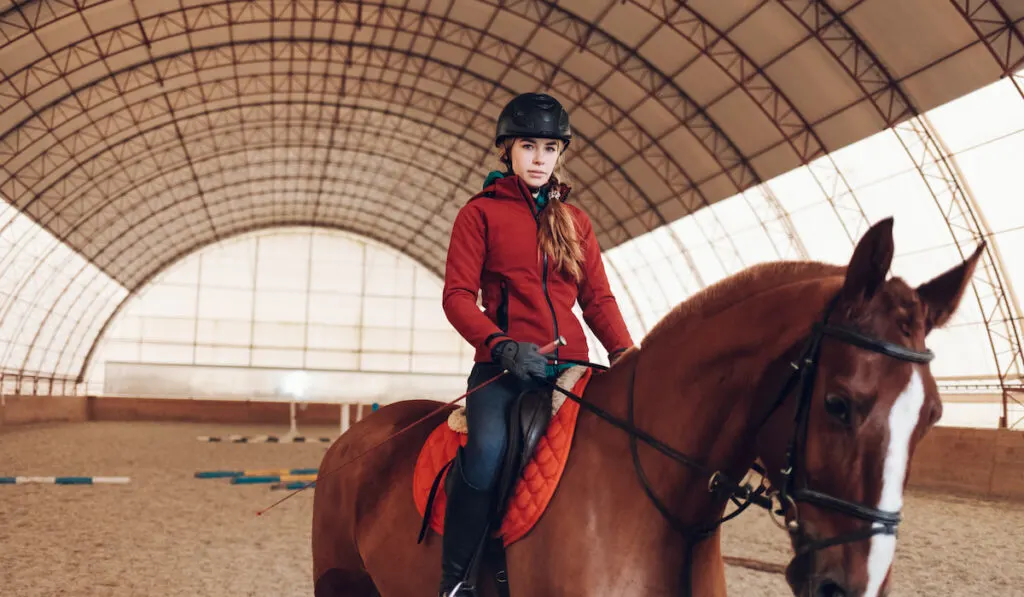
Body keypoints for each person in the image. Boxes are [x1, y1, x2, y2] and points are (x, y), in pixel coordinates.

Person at [438, 92, 635, 596]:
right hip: (504, 369)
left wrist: (627, 355)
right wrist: (501, 345)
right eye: (529, 146)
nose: (540, 158)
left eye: (550, 148)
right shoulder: (479, 214)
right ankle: (456, 582)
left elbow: (598, 300)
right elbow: (458, 298)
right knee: (485, 453)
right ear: (508, 150)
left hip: (572, 366)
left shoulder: (577, 222)